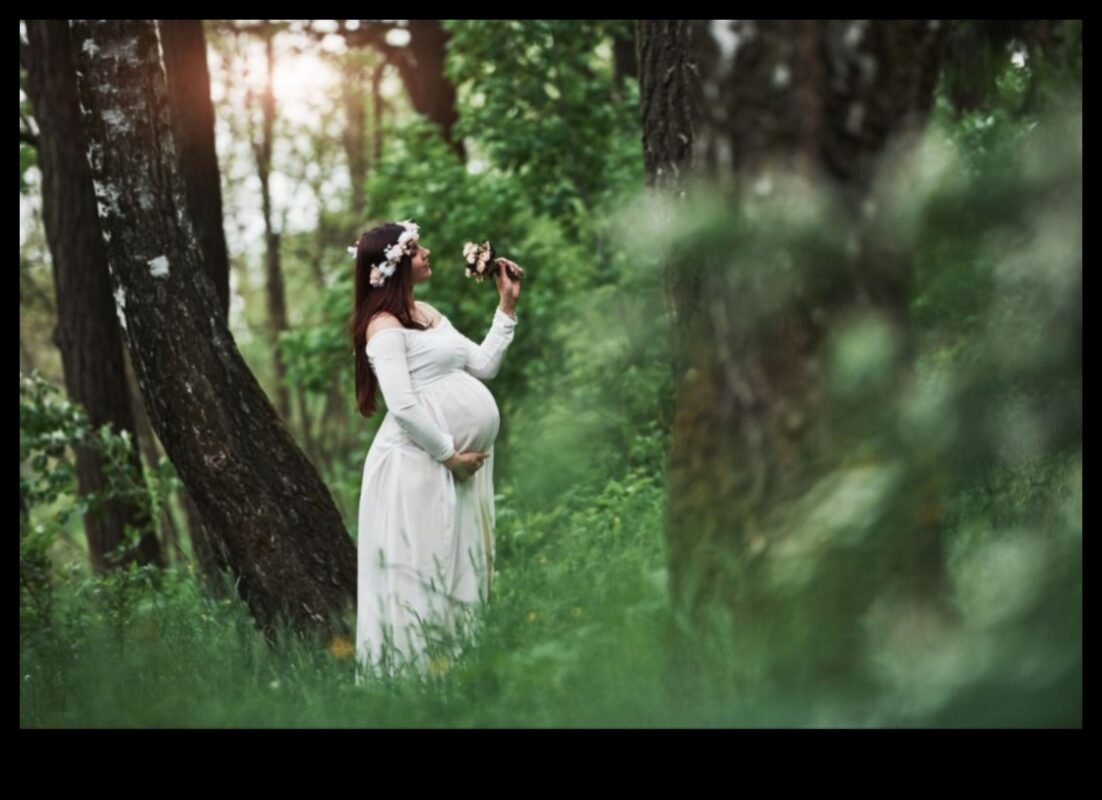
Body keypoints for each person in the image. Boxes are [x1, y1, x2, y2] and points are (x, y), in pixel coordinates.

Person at [348, 220, 524, 681]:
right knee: (426, 568)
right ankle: (415, 682)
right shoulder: (382, 328)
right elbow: (402, 406)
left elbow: (483, 365)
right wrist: (450, 455)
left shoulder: (426, 312)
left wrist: (506, 306)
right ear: (397, 263)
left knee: (461, 566)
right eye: (416, 248)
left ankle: (461, 676)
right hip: (419, 467)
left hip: (456, 469)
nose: (426, 253)